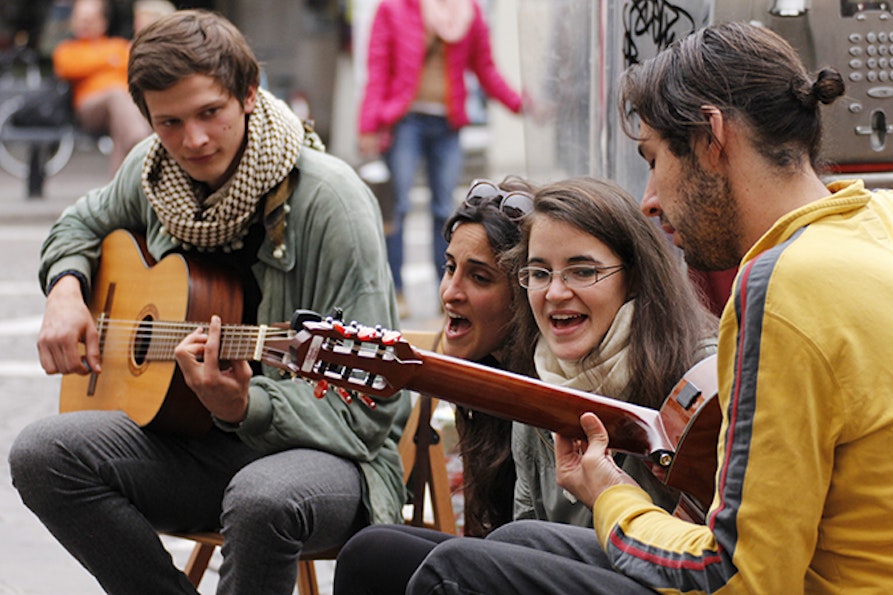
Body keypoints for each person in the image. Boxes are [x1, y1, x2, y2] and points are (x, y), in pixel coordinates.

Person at [406, 21, 893, 594]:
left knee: (453, 571)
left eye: (654, 158)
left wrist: (611, 493)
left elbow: (737, 575)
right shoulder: (874, 222)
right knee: (521, 543)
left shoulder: (781, 284)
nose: (649, 199)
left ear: (713, 138)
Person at [9, 10, 406, 595]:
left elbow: (369, 415)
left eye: (209, 113)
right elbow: (80, 223)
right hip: (196, 450)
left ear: (248, 95)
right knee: (42, 454)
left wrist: (247, 405)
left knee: (260, 498)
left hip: (328, 458)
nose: (193, 140)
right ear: (146, 119)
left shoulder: (332, 202)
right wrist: (66, 287)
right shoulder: (152, 174)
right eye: (169, 123)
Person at [336, 175, 717, 595]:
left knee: (456, 566)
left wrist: (607, 493)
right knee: (372, 553)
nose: (555, 292)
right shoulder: (541, 375)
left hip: (667, 577)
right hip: (576, 567)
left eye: (582, 270)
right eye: (539, 273)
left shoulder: (699, 375)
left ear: (636, 276)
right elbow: (524, 536)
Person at [333, 178, 531, 594]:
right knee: (370, 551)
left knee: (371, 553)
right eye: (449, 268)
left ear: (524, 292)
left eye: (479, 277)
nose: (450, 292)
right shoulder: (482, 377)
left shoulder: (546, 381)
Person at [358, 0, 524, 317]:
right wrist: (368, 126)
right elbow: (377, 69)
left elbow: (485, 69)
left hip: (447, 123)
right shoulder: (394, 8)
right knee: (399, 207)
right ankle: (396, 291)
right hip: (404, 120)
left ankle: (447, 287)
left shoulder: (468, 11)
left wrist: (520, 103)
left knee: (444, 209)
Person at [52, 0, 151, 174]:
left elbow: (132, 66)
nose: (84, 23)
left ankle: (118, 192)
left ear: (103, 22)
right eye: (80, 19)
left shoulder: (118, 46)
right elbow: (67, 68)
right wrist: (109, 60)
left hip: (124, 110)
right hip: (88, 110)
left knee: (122, 124)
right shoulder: (67, 49)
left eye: (90, 19)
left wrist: (101, 62)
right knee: (117, 95)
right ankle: (143, 142)